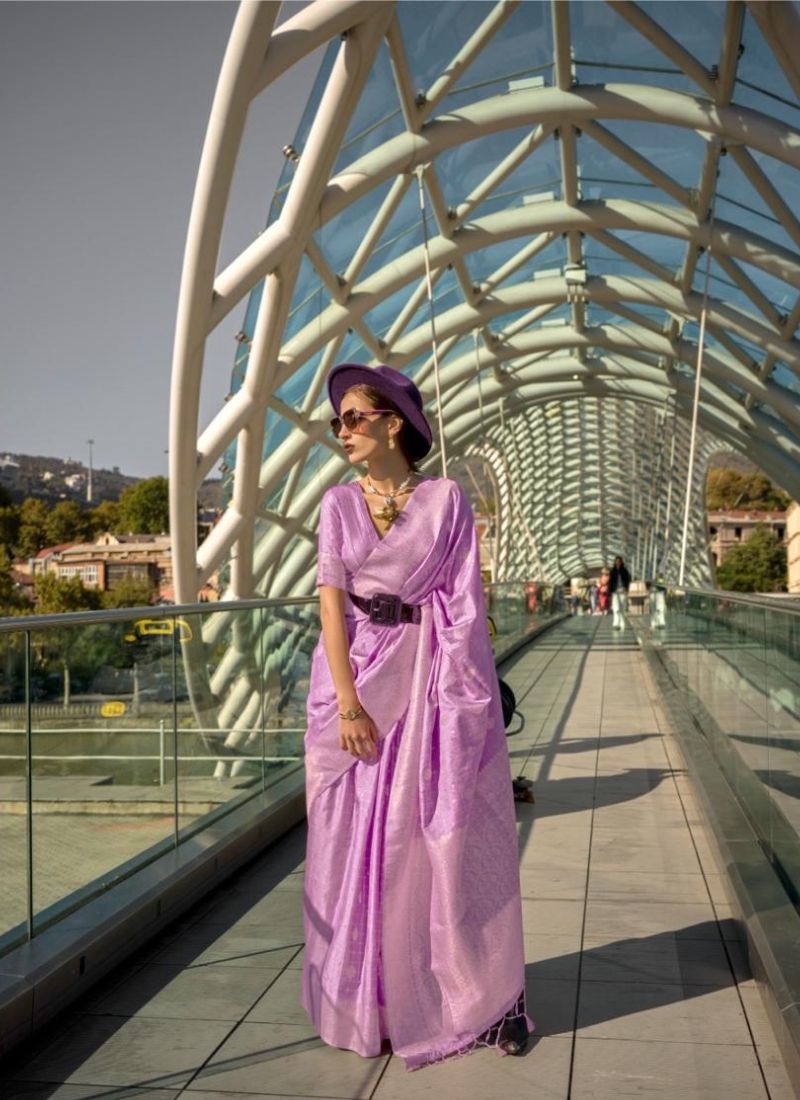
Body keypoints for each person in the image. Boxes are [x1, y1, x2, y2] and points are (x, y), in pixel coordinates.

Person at [302, 363, 532, 1070]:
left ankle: (486, 1000)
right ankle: (370, 1000)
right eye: (336, 421)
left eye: (353, 417)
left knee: (435, 841)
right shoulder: (338, 505)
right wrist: (348, 704)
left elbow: (465, 608)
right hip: (358, 681)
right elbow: (330, 608)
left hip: (430, 679)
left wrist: (462, 707)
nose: (341, 431)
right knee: (354, 844)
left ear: (393, 422)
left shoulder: (446, 501)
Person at [609, 555, 631, 631]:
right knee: (616, 608)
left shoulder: (625, 571)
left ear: (621, 562)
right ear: (615, 562)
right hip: (615, 592)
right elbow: (610, 583)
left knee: (622, 608)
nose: (618, 563)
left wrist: (626, 589)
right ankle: (616, 624)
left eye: (619, 562)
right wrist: (610, 593)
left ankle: (622, 623)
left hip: (622, 591)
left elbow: (628, 581)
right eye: (617, 562)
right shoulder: (612, 571)